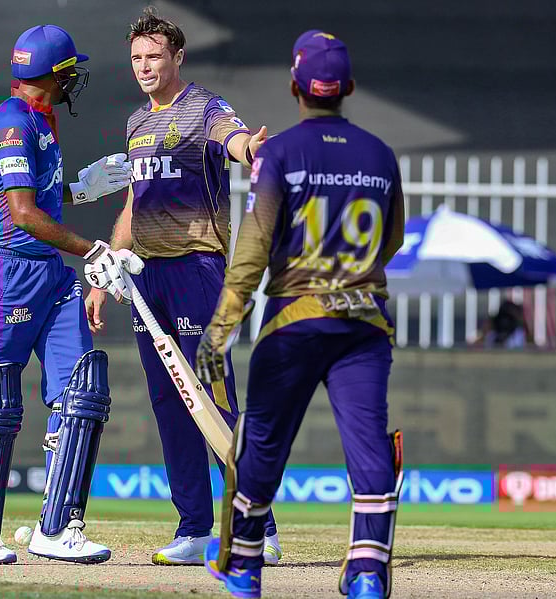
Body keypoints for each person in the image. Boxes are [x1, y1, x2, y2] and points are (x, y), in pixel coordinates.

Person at [196, 31, 406, 599]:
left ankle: (242, 566)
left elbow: (253, 249)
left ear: (295, 86)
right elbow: (392, 241)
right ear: (350, 89)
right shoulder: (380, 156)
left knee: (260, 440)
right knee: (367, 445)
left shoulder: (281, 153)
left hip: (295, 320)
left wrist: (221, 327)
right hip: (364, 325)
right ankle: (367, 571)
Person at [84, 7, 281, 566]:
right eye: (136, 59)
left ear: (177, 58)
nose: (144, 67)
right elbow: (132, 202)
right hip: (146, 280)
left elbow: (234, 138)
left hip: (198, 270)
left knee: (215, 399)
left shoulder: (203, 107)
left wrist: (251, 149)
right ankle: (195, 527)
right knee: (170, 403)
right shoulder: (136, 125)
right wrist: (106, 269)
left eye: (153, 57)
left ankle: (257, 526)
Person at [0, 24, 142, 565]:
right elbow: (21, 211)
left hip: (47, 273)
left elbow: (41, 193)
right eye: (70, 70)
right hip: (3, 266)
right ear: (54, 73)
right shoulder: (13, 122)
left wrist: (83, 186)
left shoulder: (40, 120)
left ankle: (57, 527)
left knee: (83, 387)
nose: (75, 79)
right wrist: (92, 250)